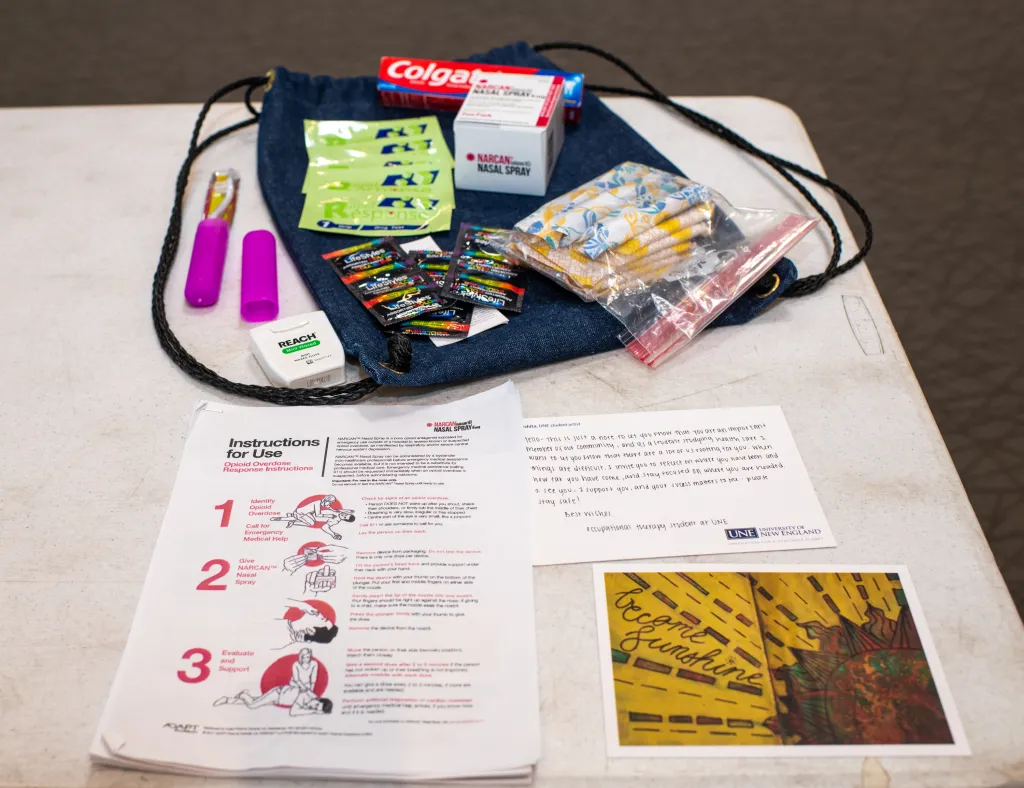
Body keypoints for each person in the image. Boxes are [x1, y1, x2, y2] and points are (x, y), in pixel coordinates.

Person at [214, 649, 331, 717]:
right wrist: (314, 711)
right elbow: (293, 712)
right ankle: (243, 694)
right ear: (319, 699)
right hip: (278, 694)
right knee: (253, 704)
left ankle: (227, 700)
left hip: (281, 699)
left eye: (315, 708)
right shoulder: (305, 696)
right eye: (316, 705)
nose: (312, 706)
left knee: (256, 702)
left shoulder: (312, 698)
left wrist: (316, 710)